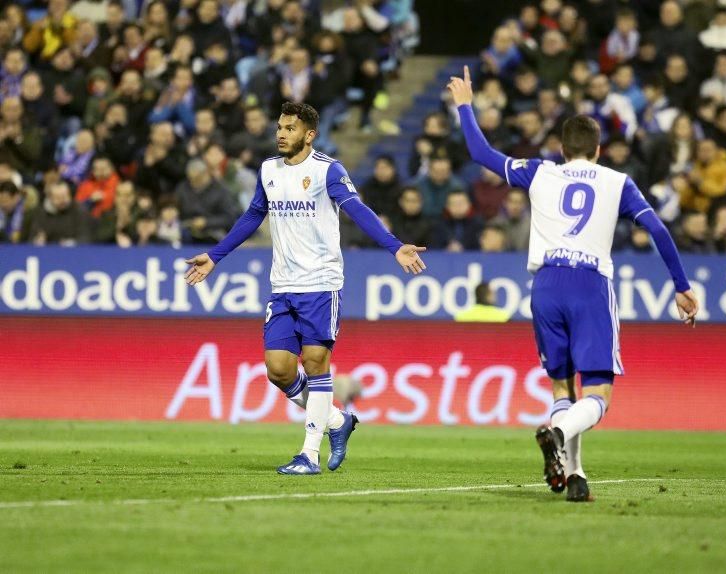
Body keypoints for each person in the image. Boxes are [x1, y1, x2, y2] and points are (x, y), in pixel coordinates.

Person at [448, 67, 698, 502]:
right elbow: (657, 230)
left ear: (562, 150)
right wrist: (681, 285)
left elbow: (480, 152)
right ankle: (557, 433)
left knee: (563, 387)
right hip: (589, 284)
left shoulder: (540, 172)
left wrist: (466, 106)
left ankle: (576, 475)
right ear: (599, 150)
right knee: (598, 394)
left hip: (545, 285)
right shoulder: (618, 182)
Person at [184, 102, 426, 475]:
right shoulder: (268, 170)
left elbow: (356, 209)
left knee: (315, 364)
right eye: (280, 127)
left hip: (321, 283)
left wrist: (395, 246)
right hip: (283, 285)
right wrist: (216, 256)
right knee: (278, 369)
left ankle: (308, 454)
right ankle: (336, 421)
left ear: (309, 135)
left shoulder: (328, 171)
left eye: (290, 128)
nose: (281, 133)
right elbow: (253, 216)